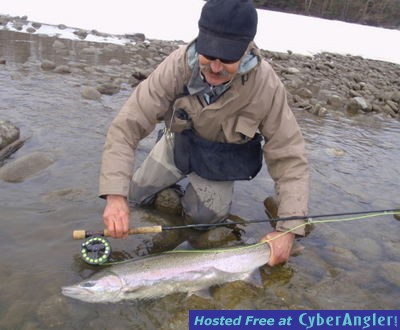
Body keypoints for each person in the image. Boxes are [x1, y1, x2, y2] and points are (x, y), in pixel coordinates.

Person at [99, 0, 309, 266]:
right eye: (209, 55)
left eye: (228, 58)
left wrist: (288, 228)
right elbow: (127, 125)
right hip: (179, 146)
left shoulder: (266, 86)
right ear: (200, 40)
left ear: (246, 50)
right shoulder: (177, 65)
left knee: (200, 223)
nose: (216, 67)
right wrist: (114, 196)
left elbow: (289, 155)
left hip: (221, 161)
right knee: (134, 197)